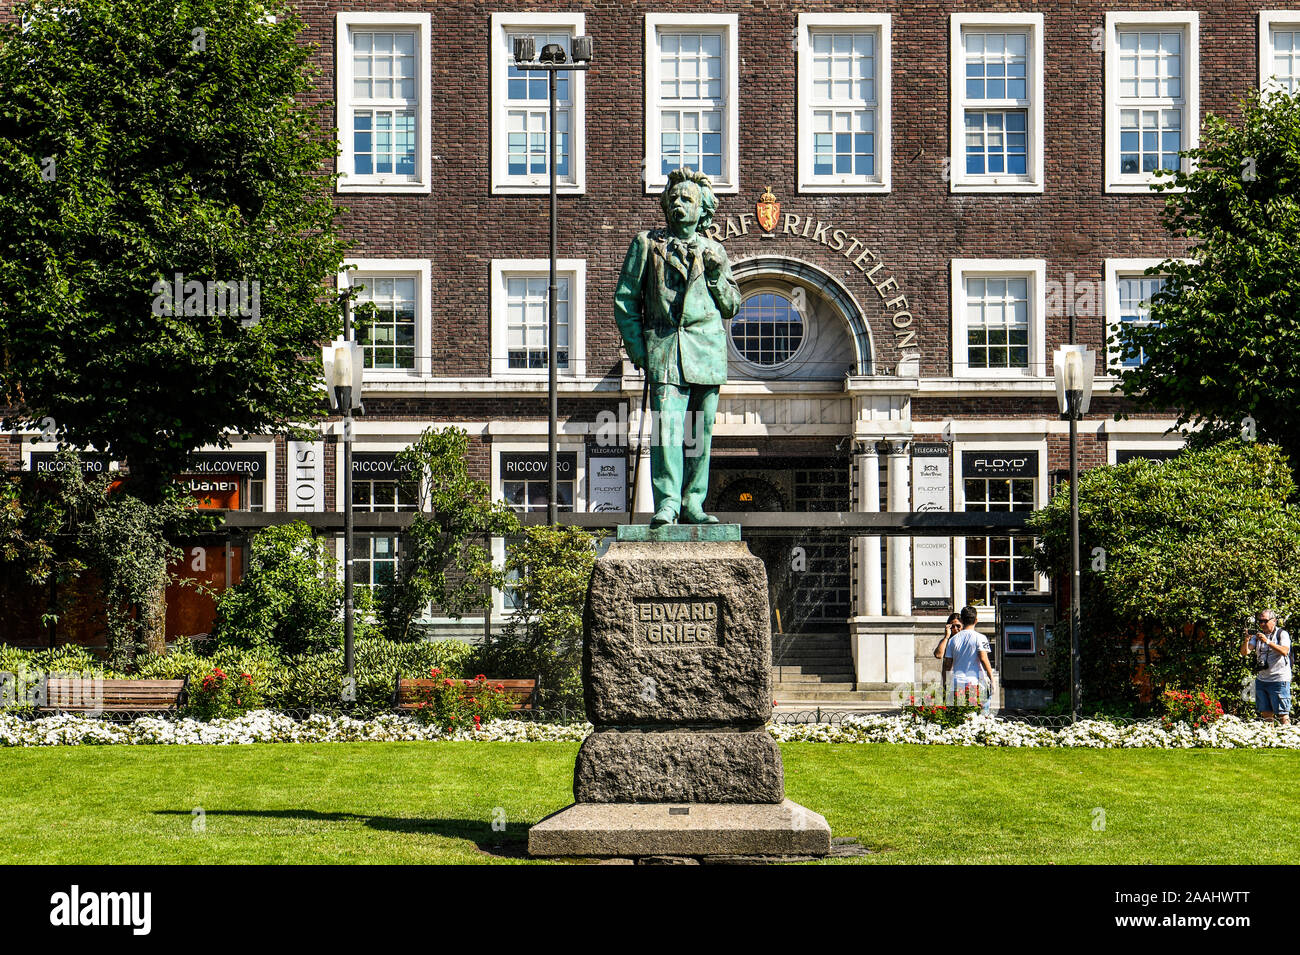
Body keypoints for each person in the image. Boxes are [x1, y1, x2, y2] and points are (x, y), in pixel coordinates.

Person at [613, 167, 741, 527]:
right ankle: (667, 502)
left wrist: (715, 274)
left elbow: (731, 305)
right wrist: (639, 349)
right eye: (674, 199)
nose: (678, 204)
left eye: (687, 199)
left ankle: (693, 502)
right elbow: (625, 300)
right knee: (668, 429)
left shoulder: (716, 251)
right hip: (665, 347)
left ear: (703, 211)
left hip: (706, 350)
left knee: (701, 431)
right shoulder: (647, 244)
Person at [942, 605, 997, 714]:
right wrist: (992, 678)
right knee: (980, 716)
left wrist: (944, 684)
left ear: (962, 620)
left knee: (960, 715)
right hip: (975, 682)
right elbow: (983, 658)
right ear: (976, 620)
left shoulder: (953, 640)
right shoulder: (980, 637)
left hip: (957, 682)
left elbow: (947, 665)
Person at [1241, 610, 1292, 725]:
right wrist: (1247, 639)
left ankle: (1290, 739)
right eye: (1260, 621)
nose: (1262, 624)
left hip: (1279, 680)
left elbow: (1284, 651)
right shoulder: (1258, 636)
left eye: (1265, 621)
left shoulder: (1282, 634)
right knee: (1266, 715)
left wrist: (1267, 641)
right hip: (1262, 680)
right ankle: (1269, 739)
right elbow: (1245, 652)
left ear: (1274, 621)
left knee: (1282, 715)